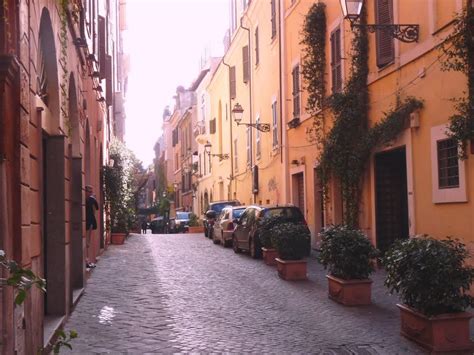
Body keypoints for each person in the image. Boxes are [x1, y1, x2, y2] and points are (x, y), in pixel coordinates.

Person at [85, 185, 99, 269]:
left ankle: (87, 259)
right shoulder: (91, 199)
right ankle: (87, 260)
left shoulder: (91, 200)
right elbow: (95, 210)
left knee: (87, 242)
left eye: (91, 192)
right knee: (87, 242)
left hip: (88, 222)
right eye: (89, 191)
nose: (90, 193)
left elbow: (95, 210)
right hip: (86, 222)